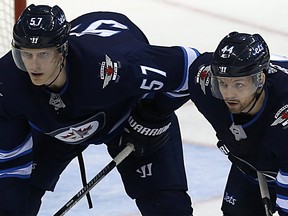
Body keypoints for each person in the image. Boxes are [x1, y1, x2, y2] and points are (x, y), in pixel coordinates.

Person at [0, 4, 200, 215]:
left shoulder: (108, 68)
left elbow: (192, 67)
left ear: (62, 51)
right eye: (26, 54)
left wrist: (152, 116)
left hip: (127, 118)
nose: (34, 66)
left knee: (168, 207)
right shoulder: (8, 82)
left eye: (43, 54)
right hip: (55, 128)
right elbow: (11, 166)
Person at [188, 31, 288, 215]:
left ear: (261, 80)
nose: (229, 94)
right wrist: (151, 118)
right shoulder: (203, 81)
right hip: (252, 167)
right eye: (223, 84)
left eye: (239, 85)